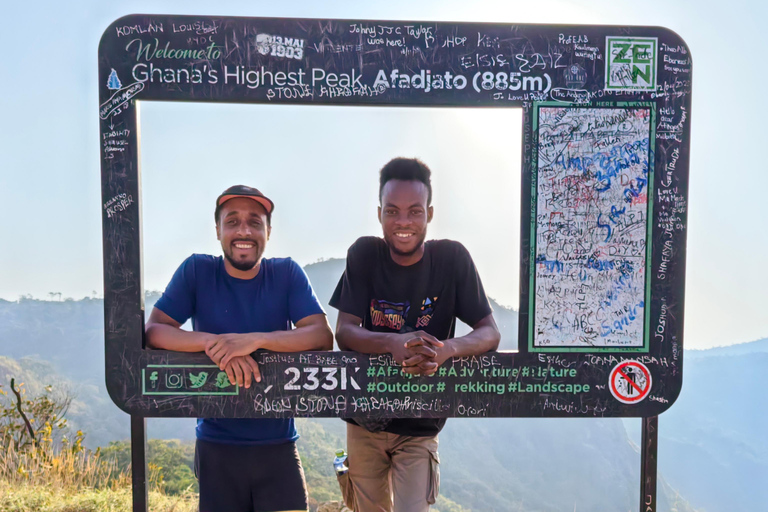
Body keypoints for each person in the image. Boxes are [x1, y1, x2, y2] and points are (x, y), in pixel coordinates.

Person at [145, 185, 333, 512]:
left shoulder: (286, 274)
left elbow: (320, 335)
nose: (243, 230)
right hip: (216, 445)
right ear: (217, 230)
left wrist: (254, 339)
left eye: (255, 222)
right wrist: (214, 343)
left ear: (268, 232)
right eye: (232, 221)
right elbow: (155, 331)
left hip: (278, 444)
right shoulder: (197, 271)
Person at [330, 158, 501, 512]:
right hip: (363, 420)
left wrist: (447, 349)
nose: (403, 222)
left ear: (430, 213)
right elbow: (344, 331)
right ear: (379, 213)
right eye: (392, 211)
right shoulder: (364, 254)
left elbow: (490, 332)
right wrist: (390, 343)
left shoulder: (452, 259)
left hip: (421, 422)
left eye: (414, 211)